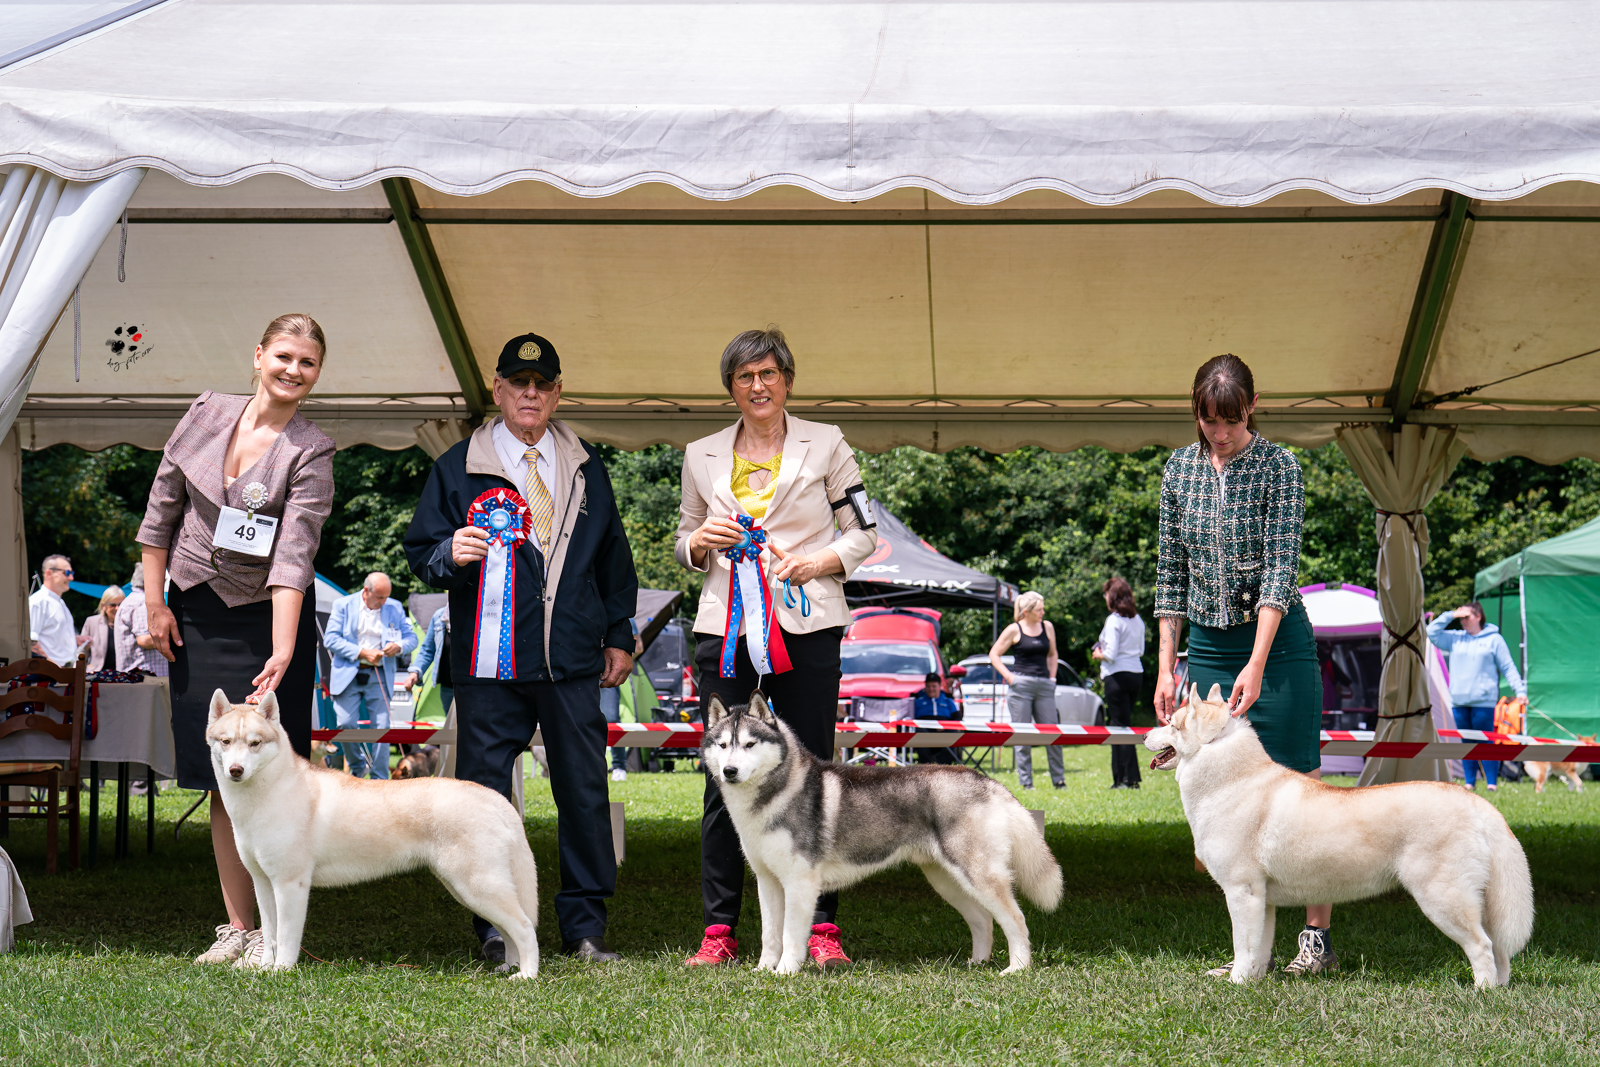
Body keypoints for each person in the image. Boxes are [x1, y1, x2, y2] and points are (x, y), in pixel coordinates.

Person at [404, 331, 638, 965]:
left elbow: (615, 560)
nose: (530, 393)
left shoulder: (590, 466)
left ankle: (585, 929)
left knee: (584, 792)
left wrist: (620, 632)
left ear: (557, 393)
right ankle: (494, 926)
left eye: (543, 384)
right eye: (518, 383)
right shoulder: (456, 466)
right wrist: (447, 554)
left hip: (572, 661)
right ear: (498, 390)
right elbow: (420, 554)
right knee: (482, 797)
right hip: (488, 665)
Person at [675, 326, 878, 969]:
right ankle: (719, 931)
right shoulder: (700, 452)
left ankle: (820, 929)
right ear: (730, 387)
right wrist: (701, 541)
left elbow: (863, 532)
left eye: (768, 374)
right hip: (725, 630)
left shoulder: (829, 442)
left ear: (787, 380)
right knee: (722, 779)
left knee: (814, 775)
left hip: (808, 625)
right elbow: (682, 542)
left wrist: (816, 562)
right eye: (744, 377)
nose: (757, 386)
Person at [136, 313, 334, 968]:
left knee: (273, 776)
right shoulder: (205, 412)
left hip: (269, 618)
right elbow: (159, 513)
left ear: (316, 374)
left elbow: (293, 559)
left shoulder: (311, 448)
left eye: (306, 363)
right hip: (194, 610)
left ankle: (279, 930)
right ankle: (237, 926)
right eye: (283, 356)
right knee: (225, 775)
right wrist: (155, 604)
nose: (292, 371)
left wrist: (282, 648)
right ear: (258, 356)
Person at [1153, 353, 1333, 978]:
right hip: (1205, 644)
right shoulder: (1178, 467)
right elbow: (1169, 574)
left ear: (1252, 407)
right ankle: (1249, 949)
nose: (1219, 433)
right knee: (1215, 803)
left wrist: (1256, 663)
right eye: (1209, 420)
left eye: (1229, 420)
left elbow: (1280, 572)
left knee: (1304, 790)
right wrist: (1165, 664)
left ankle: (1315, 938)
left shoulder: (1282, 467)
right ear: (1197, 414)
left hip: (1277, 645)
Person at [323, 573, 418, 779]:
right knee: (346, 723)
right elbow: (330, 639)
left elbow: (412, 639)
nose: (384, 602)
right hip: (349, 672)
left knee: (382, 726)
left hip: (380, 675)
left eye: (386, 597)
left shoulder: (394, 607)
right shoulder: (343, 605)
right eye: (380, 598)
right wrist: (361, 652)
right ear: (366, 591)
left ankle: (380, 778)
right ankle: (358, 768)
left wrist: (398, 647)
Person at [1427, 602, 1526, 792]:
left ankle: (1491, 784)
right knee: (1466, 743)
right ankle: (1469, 783)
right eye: (1461, 618)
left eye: (1467, 617)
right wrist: (1450, 615)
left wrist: (1520, 691)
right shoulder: (1455, 638)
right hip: (1459, 701)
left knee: (1486, 742)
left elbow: (1507, 666)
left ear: (1478, 616)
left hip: (1484, 702)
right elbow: (1431, 632)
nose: (1463, 621)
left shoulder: (1494, 639)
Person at [989, 590, 1063, 790]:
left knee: (1052, 733)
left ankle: (1059, 780)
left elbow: (1052, 654)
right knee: (1022, 735)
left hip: (1044, 686)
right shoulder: (1014, 629)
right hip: (1021, 686)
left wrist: (1052, 678)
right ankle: (1026, 783)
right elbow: (994, 654)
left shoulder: (1047, 627)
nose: (1043, 612)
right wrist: (1010, 678)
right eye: (1039, 609)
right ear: (1027, 611)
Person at [1092, 576, 1146, 789]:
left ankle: (1128, 779)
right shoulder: (1138, 620)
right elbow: (1140, 650)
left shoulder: (1114, 620)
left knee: (1119, 727)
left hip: (1117, 675)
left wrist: (1098, 653)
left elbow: (1111, 654)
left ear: (1112, 597)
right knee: (1121, 724)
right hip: (1136, 674)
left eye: (1106, 595)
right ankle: (1120, 778)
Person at [29, 555, 87, 667]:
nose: (71, 578)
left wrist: (76, 640)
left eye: (72, 573)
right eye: (66, 573)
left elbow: (50, 637)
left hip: (64, 673)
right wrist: (54, 668)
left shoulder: (60, 602)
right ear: (48, 573)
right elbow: (31, 642)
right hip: (50, 676)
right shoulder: (37, 602)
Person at [113, 563, 169, 677]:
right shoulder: (142, 602)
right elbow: (144, 640)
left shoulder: (132, 600)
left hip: (139, 677)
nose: (163, 582)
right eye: (163, 578)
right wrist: (174, 638)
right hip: (144, 678)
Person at [403, 604, 453, 717]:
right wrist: (415, 672)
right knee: (452, 729)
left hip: (472, 687)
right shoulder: (439, 616)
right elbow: (427, 650)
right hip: (448, 687)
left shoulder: (478, 614)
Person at [913, 671, 961, 765]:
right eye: (928, 686)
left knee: (953, 733)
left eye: (934, 686)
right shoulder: (918, 701)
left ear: (939, 686)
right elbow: (911, 719)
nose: (931, 689)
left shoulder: (948, 701)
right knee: (918, 732)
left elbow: (957, 718)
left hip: (943, 732)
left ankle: (943, 766)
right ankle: (928, 766)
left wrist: (946, 726)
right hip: (924, 732)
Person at [80, 585, 125, 672]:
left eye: (120, 604)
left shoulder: (129, 624)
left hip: (123, 675)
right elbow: (83, 652)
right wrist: (78, 673)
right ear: (103, 605)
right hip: (97, 674)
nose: (117, 608)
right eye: (112, 605)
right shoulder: (92, 622)